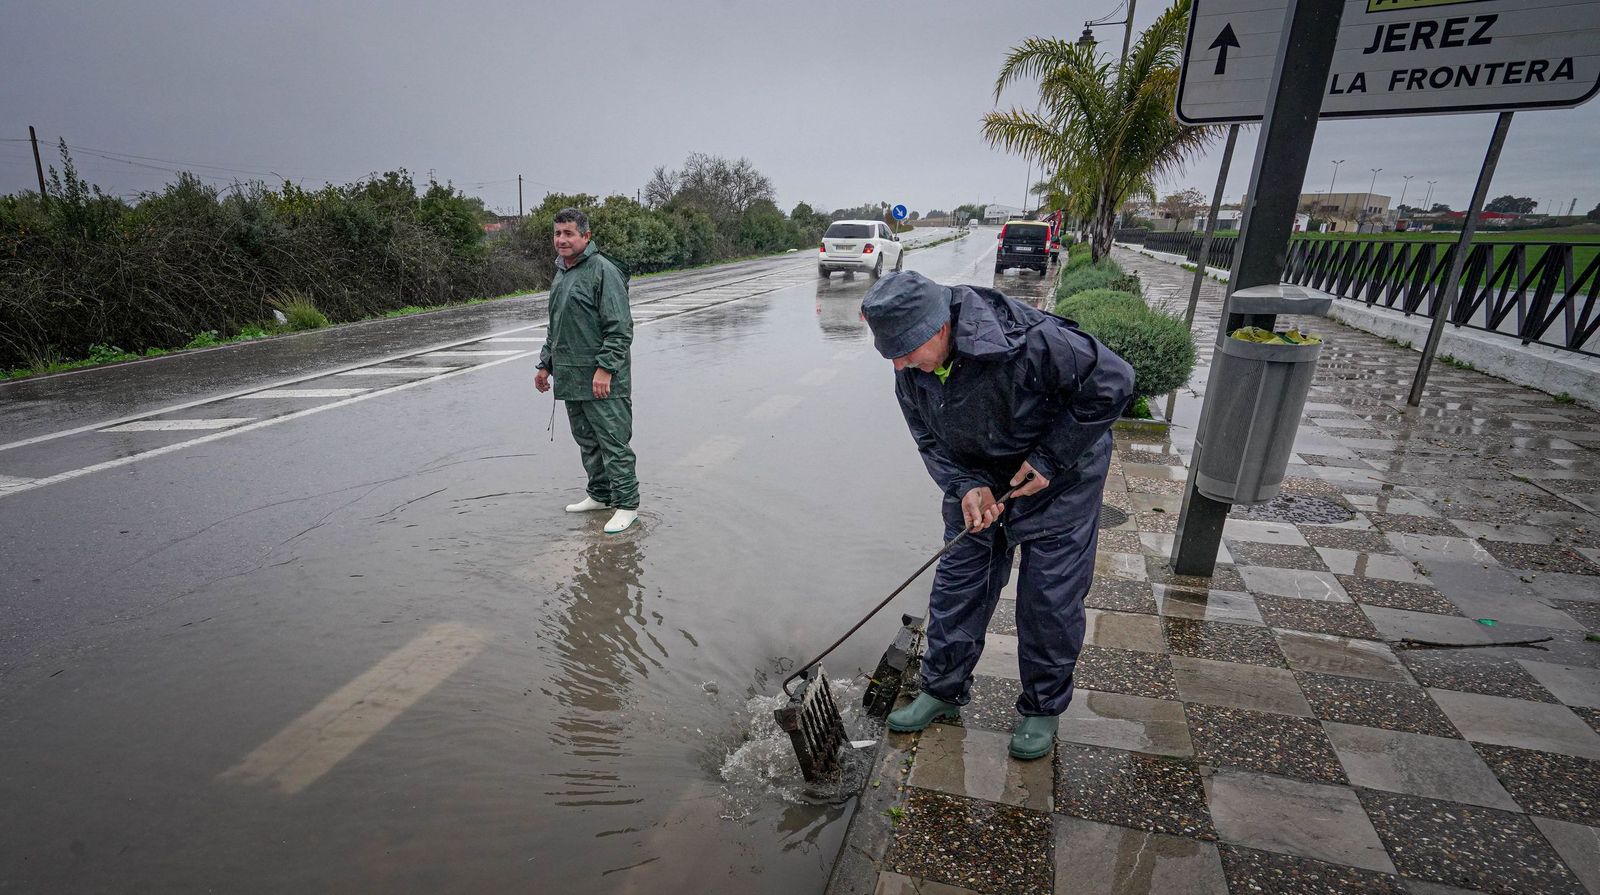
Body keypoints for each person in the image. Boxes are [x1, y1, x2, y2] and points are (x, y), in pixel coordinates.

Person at [860, 270, 1133, 760]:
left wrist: (1051, 458)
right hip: (980, 482)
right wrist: (965, 485)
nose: (900, 363)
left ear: (938, 327)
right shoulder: (910, 373)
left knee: (1049, 597)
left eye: (906, 349)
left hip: (1060, 480)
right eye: (891, 353)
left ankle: (1041, 708)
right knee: (958, 585)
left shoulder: (1031, 340)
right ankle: (942, 692)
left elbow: (1113, 381)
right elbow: (927, 438)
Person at [535, 208, 640, 534]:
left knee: (612, 442)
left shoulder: (602, 271)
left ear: (586, 237)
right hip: (572, 377)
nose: (562, 240)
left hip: (602, 381)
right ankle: (600, 495)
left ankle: (626, 505)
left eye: (569, 233)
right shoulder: (562, 273)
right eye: (557, 234)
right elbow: (558, 326)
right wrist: (545, 364)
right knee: (588, 441)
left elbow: (620, 329)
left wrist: (606, 370)